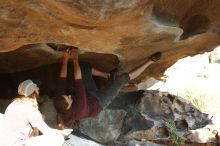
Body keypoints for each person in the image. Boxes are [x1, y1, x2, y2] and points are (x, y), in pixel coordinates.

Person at [54, 48, 162, 130]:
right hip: (99, 102)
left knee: (82, 68)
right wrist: (75, 58)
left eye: (66, 95)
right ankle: (150, 61)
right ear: (68, 107)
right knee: (122, 79)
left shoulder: (59, 100)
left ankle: (107, 75)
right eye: (69, 99)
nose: (69, 95)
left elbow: (61, 79)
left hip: (88, 95)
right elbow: (78, 80)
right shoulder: (78, 109)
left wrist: (65, 58)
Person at [0, 79, 73, 146]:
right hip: (17, 143)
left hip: (4, 141)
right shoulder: (31, 110)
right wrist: (62, 132)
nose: (38, 88)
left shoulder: (13, 103)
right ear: (33, 92)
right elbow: (48, 132)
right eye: (36, 88)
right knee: (58, 138)